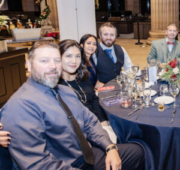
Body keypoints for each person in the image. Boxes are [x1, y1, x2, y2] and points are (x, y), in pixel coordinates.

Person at [0, 41, 144, 170]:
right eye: (44, 61)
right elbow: (37, 164)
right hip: (65, 163)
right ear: (29, 66)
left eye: (56, 61)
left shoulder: (65, 91)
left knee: (139, 151)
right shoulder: (20, 106)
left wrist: (110, 147)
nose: (52, 66)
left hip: (86, 154)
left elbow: (90, 122)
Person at [58, 39, 117, 143]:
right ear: (58, 58)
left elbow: (94, 99)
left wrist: (103, 122)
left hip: (96, 122)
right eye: (68, 56)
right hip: (81, 133)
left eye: (77, 56)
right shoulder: (57, 86)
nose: (74, 61)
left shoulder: (82, 76)